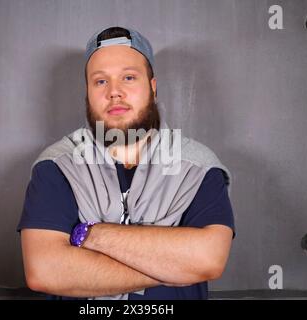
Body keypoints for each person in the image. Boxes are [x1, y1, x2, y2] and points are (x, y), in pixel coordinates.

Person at [17, 26, 235, 300]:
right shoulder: (57, 166)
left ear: (152, 87)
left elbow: (208, 260)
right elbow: (44, 271)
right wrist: (176, 266)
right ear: (87, 93)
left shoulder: (199, 167)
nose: (114, 92)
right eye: (100, 81)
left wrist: (91, 235)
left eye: (129, 77)